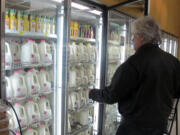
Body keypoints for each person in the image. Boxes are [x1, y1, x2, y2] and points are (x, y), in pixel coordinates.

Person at [89, 16, 180, 135]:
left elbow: (112, 95)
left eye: (134, 35)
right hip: (159, 127)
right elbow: (177, 91)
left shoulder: (134, 63)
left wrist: (91, 93)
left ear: (142, 36)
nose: (132, 39)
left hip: (134, 128)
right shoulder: (172, 61)